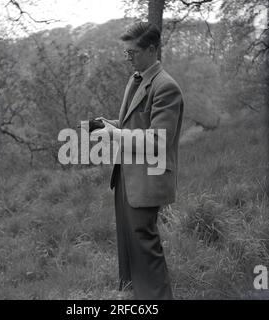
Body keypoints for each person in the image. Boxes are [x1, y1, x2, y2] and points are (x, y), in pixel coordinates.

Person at [93, 21, 184, 300]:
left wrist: (116, 134)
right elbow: (132, 124)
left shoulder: (166, 87)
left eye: (132, 52)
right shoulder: (137, 79)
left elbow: (158, 141)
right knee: (131, 245)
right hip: (127, 177)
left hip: (147, 179)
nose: (128, 58)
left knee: (145, 247)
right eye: (126, 53)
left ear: (152, 49)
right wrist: (107, 125)